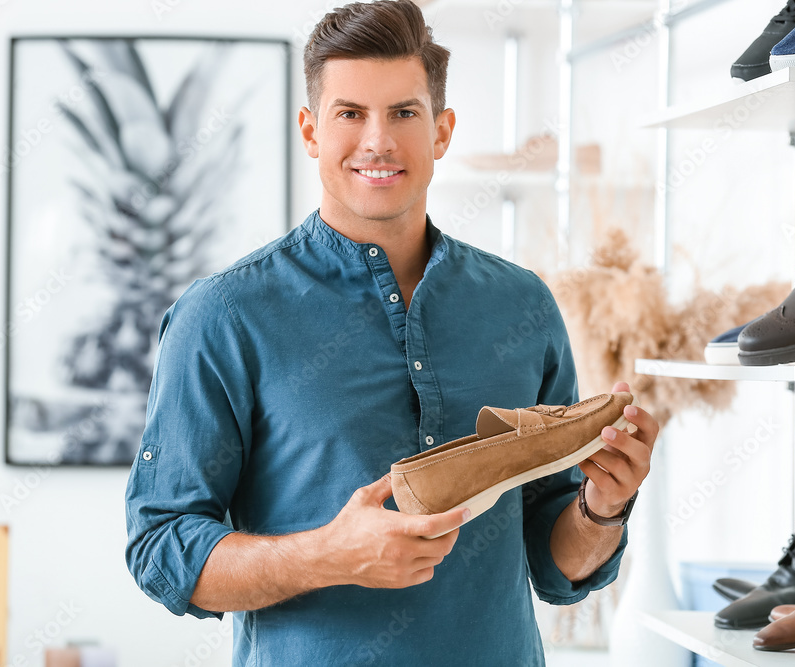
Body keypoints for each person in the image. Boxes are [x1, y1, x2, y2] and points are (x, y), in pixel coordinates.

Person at [124, 1, 659, 664]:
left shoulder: (524, 305)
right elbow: (160, 548)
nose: (378, 140)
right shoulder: (223, 316)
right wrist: (328, 555)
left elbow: (557, 567)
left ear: (441, 130)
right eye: (350, 113)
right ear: (311, 131)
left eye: (404, 112)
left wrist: (604, 506)